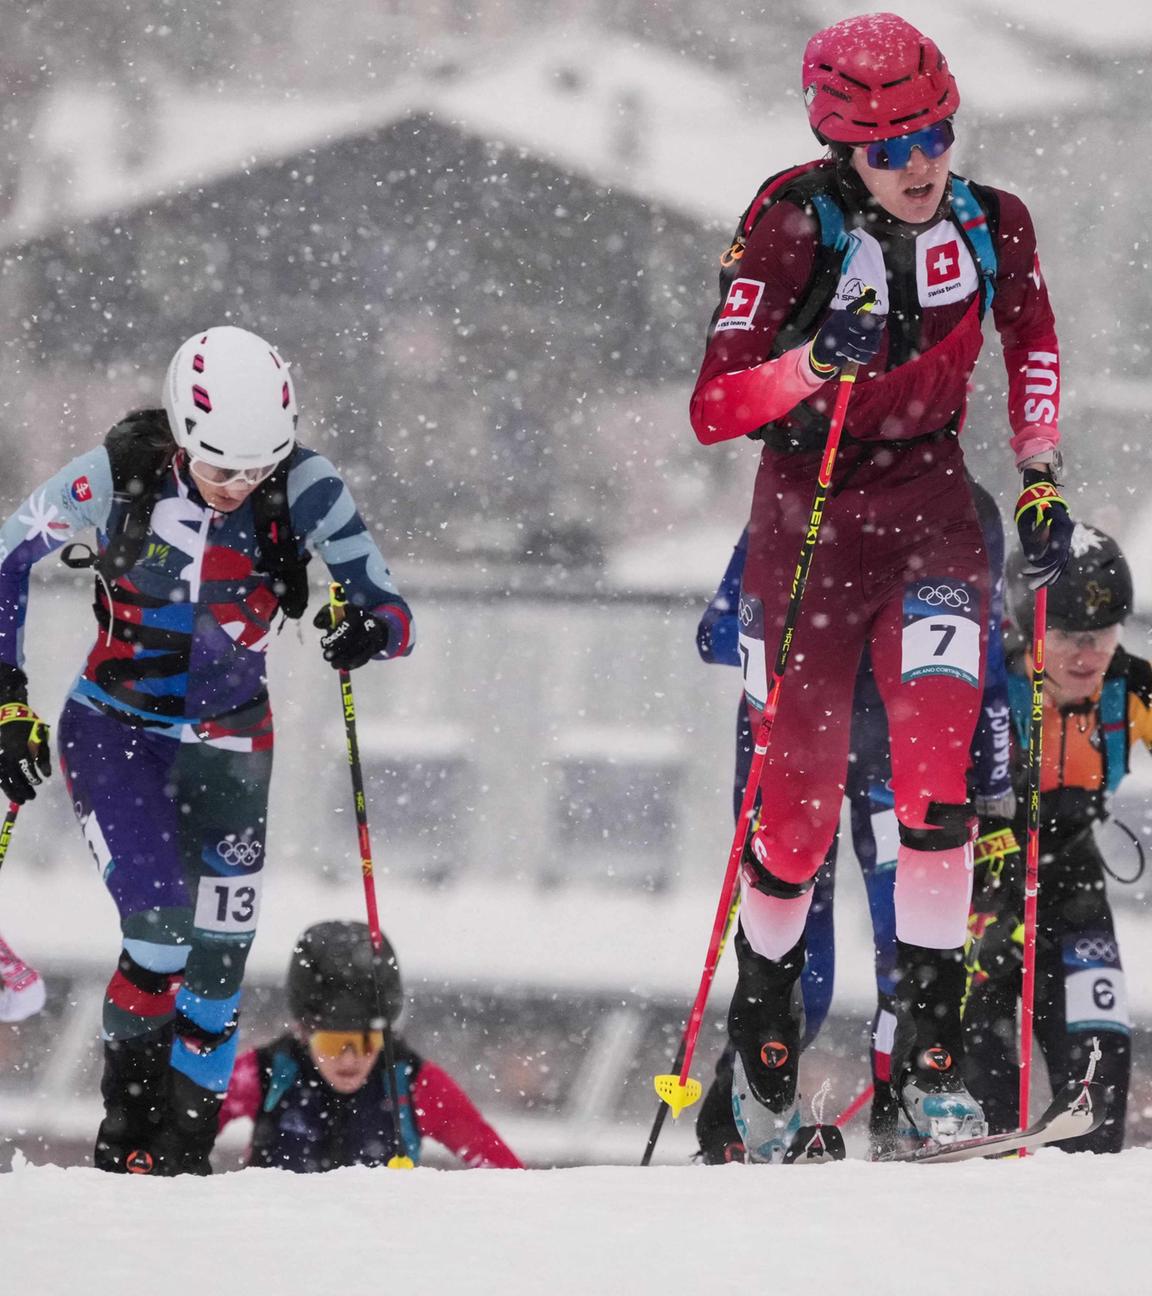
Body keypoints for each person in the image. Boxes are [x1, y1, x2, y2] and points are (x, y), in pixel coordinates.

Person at [688, 12, 1073, 1161]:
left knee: (935, 778)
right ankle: (764, 1054)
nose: (920, 165)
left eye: (935, 135)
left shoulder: (992, 221)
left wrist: (1040, 472)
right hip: (808, 520)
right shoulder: (790, 223)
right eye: (891, 149)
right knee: (799, 815)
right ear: (842, 148)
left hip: (933, 515)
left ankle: (933, 1064)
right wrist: (812, 363)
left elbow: (1032, 336)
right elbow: (714, 407)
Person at [0, 325, 414, 1175]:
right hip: (116, 729)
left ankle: (184, 1151)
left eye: (258, 469)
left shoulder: (306, 488)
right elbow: (6, 561)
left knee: (220, 968)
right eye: (221, 469)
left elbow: (392, 612)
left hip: (232, 741)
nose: (239, 488)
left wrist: (366, 631)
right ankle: (127, 1136)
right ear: (184, 437)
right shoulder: (111, 477)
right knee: (160, 934)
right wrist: (9, 702)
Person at [694, 474, 1013, 1160]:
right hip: (796, 748)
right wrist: (822, 628)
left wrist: (994, 790)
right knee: (802, 967)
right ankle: (738, 1125)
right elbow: (718, 634)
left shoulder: (966, 514)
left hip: (893, 756)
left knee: (905, 948)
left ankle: (902, 1123)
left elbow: (986, 665)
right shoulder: (803, 495)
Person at [963, 525, 1143, 1153]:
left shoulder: (1132, 687)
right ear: (1027, 625)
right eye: (1066, 635)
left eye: (1103, 633)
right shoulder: (988, 689)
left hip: (1073, 872)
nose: (1087, 654)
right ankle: (975, 1138)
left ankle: (1088, 1155)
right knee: (982, 1033)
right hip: (990, 875)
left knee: (1100, 1046)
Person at [219, 921, 522, 1171]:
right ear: (304, 1034)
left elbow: (509, 1177)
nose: (349, 1059)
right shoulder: (263, 1073)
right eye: (333, 1043)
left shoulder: (415, 1084)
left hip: (380, 1228)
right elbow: (191, 1135)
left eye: (367, 1042)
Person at [0, 931, 45, 1023]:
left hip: (29, 982)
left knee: (8, 959)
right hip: (22, 986)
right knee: (6, 960)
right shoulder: (7, 1014)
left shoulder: (34, 1006)